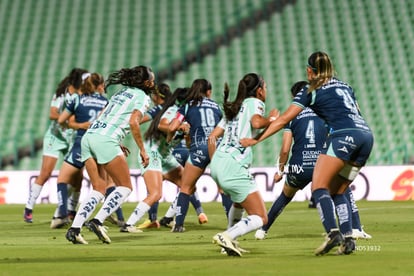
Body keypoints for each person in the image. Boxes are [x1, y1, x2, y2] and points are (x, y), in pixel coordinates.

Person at [241, 51, 374, 255]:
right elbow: (356, 112)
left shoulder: (310, 89)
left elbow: (284, 120)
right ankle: (348, 239)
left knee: (319, 187)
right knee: (338, 191)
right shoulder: (346, 86)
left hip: (344, 136)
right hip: (366, 137)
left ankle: (332, 233)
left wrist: (256, 139)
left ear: (310, 71)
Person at [254, 81, 372, 241]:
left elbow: (284, 149)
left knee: (285, 196)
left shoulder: (292, 115)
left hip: (299, 166)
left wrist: (281, 170)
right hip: (322, 162)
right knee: (342, 190)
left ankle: (262, 230)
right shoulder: (324, 112)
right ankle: (353, 229)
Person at [65, 65, 154, 244]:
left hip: (89, 137)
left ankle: (74, 229)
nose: (154, 82)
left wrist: (115, 141)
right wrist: (143, 150)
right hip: (105, 140)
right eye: (152, 79)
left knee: (98, 187)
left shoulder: (120, 93)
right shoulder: (143, 97)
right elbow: (134, 123)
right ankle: (97, 221)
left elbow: (103, 116)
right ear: (146, 82)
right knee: (125, 187)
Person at [208, 73, 278, 256]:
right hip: (233, 164)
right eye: (266, 87)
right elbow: (256, 122)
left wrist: (217, 167)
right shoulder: (254, 103)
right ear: (260, 90)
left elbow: (212, 137)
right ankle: (227, 235)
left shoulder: (234, 108)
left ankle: (229, 243)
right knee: (261, 217)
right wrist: (271, 119)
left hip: (217, 162)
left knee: (239, 203)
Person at [23, 68, 87, 223]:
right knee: (45, 173)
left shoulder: (83, 96)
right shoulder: (62, 94)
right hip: (55, 137)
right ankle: (29, 207)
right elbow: (52, 114)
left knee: (78, 175)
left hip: (73, 138)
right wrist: (68, 116)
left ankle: (71, 209)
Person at [51, 72, 109, 228]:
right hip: (100, 145)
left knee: (62, 180)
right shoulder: (106, 101)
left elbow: (62, 120)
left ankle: (62, 214)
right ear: (99, 85)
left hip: (81, 144)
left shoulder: (77, 99)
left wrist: (76, 125)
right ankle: (103, 218)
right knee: (101, 185)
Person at [167, 79, 222, 232]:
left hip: (199, 148)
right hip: (217, 148)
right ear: (209, 92)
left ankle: (178, 225)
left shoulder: (187, 106)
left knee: (186, 187)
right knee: (223, 189)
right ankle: (232, 224)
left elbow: (172, 126)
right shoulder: (217, 106)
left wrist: (169, 138)